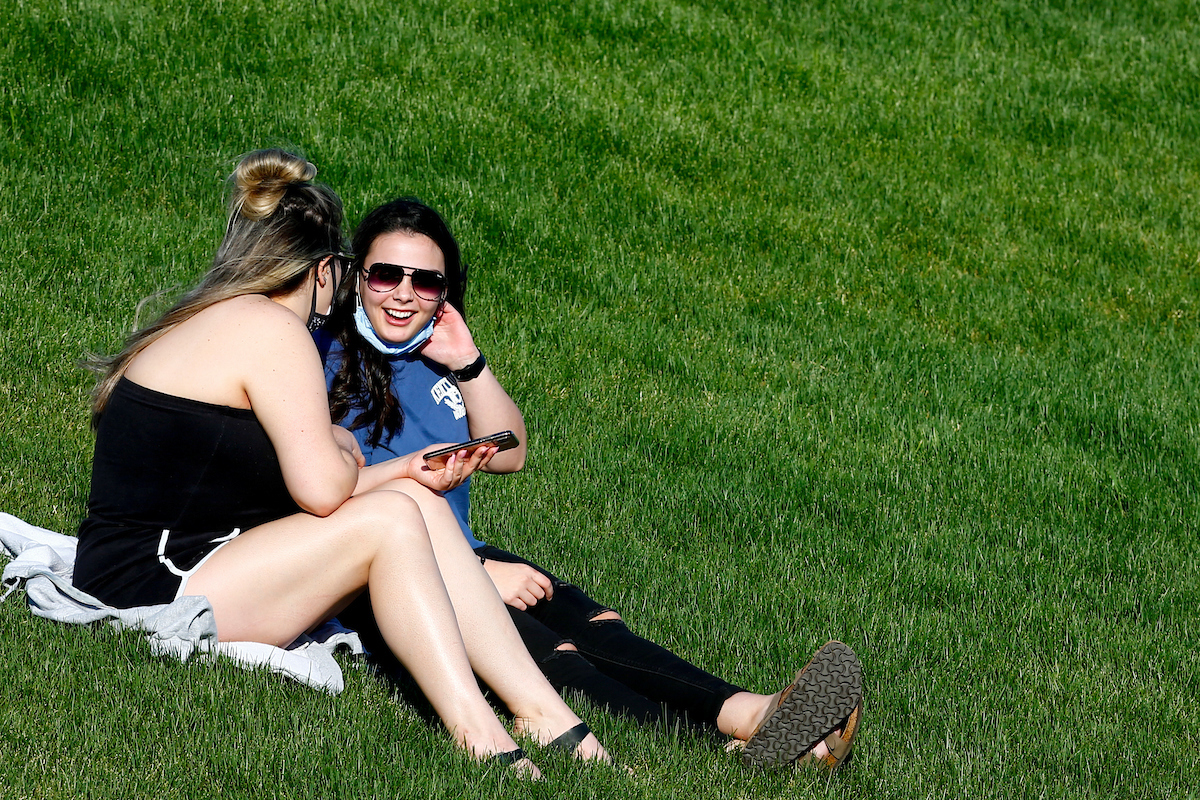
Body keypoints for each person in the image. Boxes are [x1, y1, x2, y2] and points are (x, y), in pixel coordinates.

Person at [72, 150, 610, 778]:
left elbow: (293, 474)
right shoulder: (275, 330)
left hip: (170, 560)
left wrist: (401, 472)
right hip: (155, 585)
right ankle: (477, 729)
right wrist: (350, 457)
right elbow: (325, 493)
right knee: (389, 519)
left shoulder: (213, 316)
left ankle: (545, 713)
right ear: (325, 270)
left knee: (416, 504)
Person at [319, 197, 864, 770]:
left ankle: (751, 712)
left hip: (465, 551)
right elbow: (324, 494)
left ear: (445, 291)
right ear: (358, 278)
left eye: (427, 281)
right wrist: (475, 575)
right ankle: (715, 750)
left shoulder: (437, 357)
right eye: (386, 274)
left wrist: (470, 362)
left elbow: (510, 452)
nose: (404, 293)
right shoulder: (326, 360)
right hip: (391, 573)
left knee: (595, 627)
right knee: (551, 651)